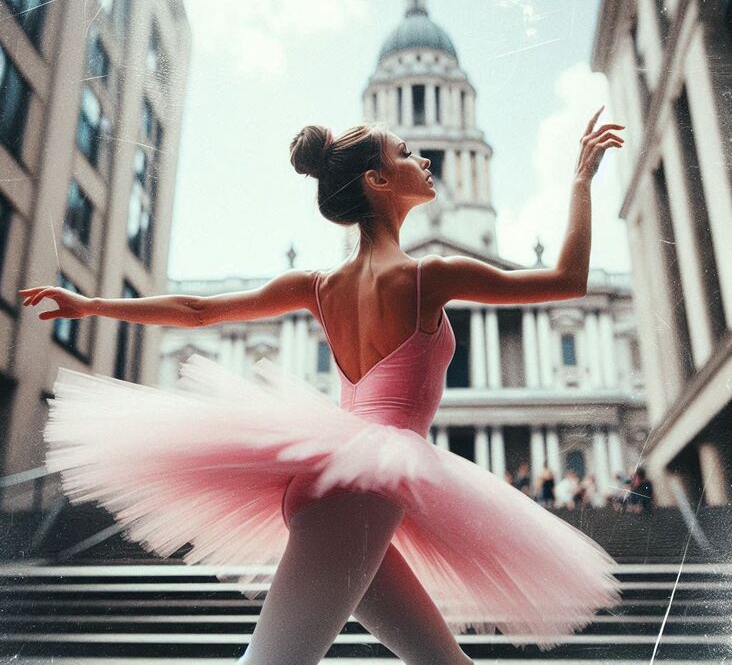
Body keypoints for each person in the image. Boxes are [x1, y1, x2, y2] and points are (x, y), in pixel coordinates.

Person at [20, 106, 624, 663]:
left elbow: (199, 310)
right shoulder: (431, 277)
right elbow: (569, 279)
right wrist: (579, 181)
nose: (425, 159)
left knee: (443, 663)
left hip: (333, 482)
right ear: (378, 182)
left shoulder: (318, 285)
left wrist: (93, 304)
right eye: (407, 152)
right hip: (360, 489)